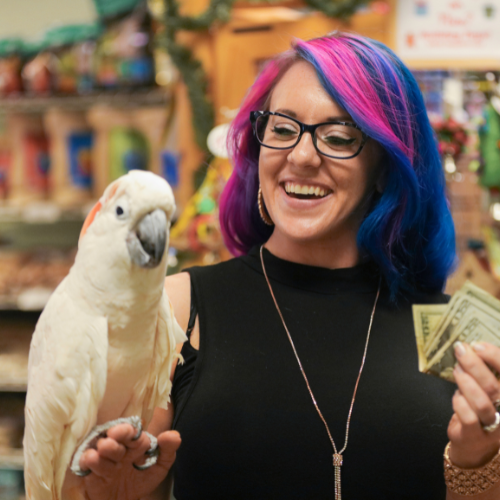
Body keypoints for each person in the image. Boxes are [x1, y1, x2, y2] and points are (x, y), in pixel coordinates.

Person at [78, 32, 500, 499]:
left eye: (339, 137)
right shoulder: (178, 310)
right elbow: (122, 482)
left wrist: (477, 461)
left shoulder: (455, 332)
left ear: (386, 168)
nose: (301, 156)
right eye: (282, 128)